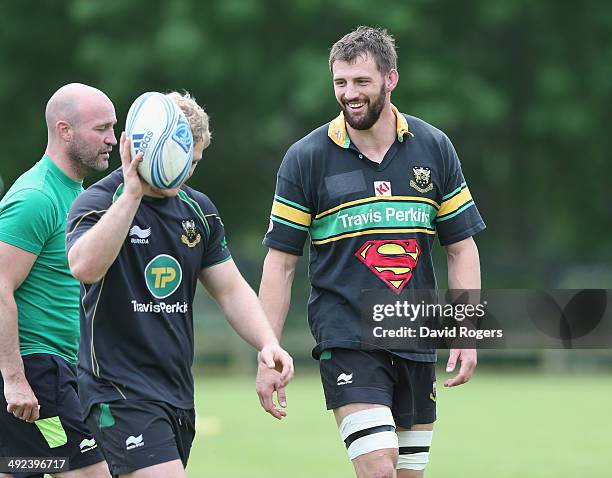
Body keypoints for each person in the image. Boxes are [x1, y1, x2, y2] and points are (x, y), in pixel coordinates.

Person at [258, 26, 485, 478]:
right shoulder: (307, 157)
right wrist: (267, 349)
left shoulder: (434, 147)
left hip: (416, 336)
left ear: (390, 79)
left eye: (361, 82)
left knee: (407, 473)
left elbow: (462, 248)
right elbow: (280, 265)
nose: (350, 94)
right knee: (379, 469)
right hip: (347, 338)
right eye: (340, 83)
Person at [65, 91, 294, 478]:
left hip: (176, 394)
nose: (187, 171)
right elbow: (84, 267)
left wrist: (267, 342)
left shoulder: (199, 210)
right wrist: (133, 195)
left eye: (195, 161)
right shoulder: (100, 201)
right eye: (182, 158)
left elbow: (230, 288)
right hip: (117, 391)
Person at [0, 83, 115, 478]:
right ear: (65, 131)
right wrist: (14, 380)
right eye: (101, 129)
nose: (112, 140)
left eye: (112, 128)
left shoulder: (79, 196)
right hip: (39, 374)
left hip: (62, 372)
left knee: (20, 468)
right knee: (93, 471)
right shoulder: (37, 197)